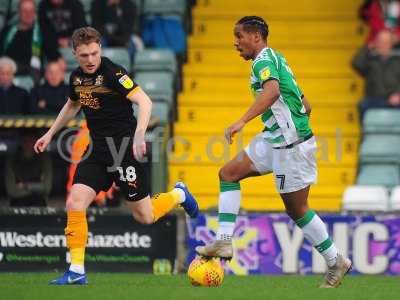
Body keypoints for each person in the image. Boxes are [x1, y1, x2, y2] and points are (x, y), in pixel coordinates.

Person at [194, 16, 352, 288]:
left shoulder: (264, 62)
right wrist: (288, 121)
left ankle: (336, 260)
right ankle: (224, 241)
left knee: (297, 210)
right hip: (274, 139)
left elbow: (273, 92)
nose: (235, 43)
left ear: (256, 36)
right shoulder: (276, 59)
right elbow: (305, 103)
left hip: (291, 146)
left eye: (239, 36)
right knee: (228, 174)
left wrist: (242, 121)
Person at [33, 27, 199, 285]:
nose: (90, 59)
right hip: (98, 151)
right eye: (84, 55)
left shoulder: (113, 72)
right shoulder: (77, 78)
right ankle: (76, 270)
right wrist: (50, 134)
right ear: (74, 53)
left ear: (100, 49)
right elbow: (73, 104)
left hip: (124, 151)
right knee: (75, 202)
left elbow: (144, 101)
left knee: (144, 216)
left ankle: (179, 195)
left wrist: (140, 134)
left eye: (95, 53)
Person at [0, 0, 60, 82]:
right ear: (19, 12)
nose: (28, 14)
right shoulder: (8, 31)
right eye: (25, 11)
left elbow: (52, 53)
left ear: (35, 12)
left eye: (31, 11)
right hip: (6, 72)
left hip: (32, 73)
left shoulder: (43, 30)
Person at [352, 29, 400, 121]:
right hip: (374, 99)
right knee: (362, 105)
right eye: (380, 42)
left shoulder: (397, 61)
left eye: (386, 42)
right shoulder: (370, 60)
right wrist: (367, 48)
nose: (383, 45)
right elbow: (356, 64)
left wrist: (398, 95)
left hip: (394, 99)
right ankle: (366, 134)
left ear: (391, 44)